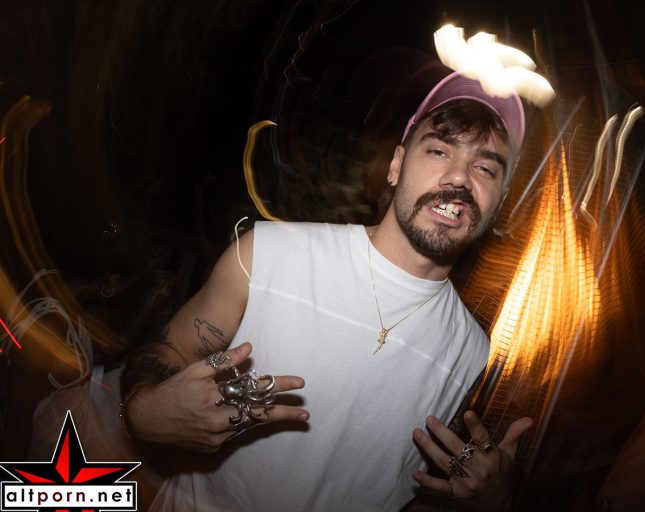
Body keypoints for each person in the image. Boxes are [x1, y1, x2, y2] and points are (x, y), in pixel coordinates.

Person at [121, 71, 533, 511]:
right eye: (438, 150)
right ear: (396, 165)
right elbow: (171, 350)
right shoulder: (268, 254)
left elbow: (412, 487)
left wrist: (492, 501)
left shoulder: (475, 354)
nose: (459, 178)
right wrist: (144, 414)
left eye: (485, 167)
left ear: (500, 201)